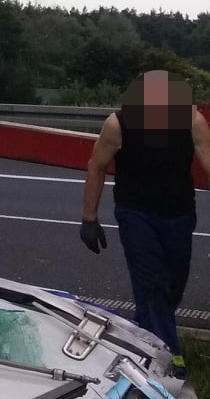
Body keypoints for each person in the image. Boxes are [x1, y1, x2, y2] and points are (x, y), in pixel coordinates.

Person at [80, 69, 209, 379]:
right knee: (152, 285)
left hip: (179, 214)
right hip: (136, 214)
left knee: (171, 287)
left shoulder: (192, 121)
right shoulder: (118, 124)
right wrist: (89, 219)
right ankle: (169, 365)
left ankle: (141, 334)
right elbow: (96, 167)